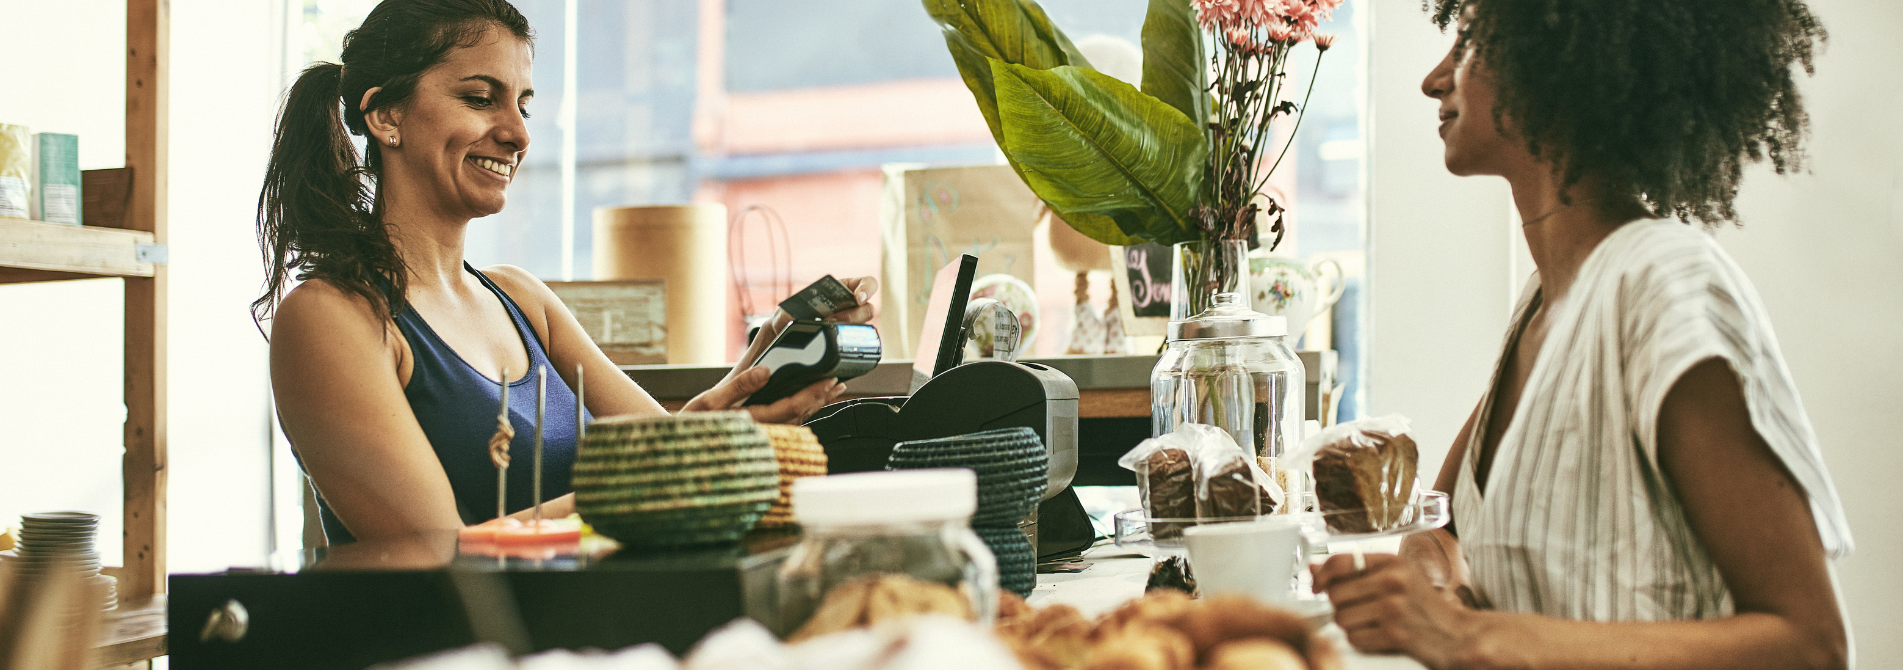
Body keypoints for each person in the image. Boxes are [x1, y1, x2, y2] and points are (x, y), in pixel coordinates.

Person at [1311, 1, 1854, 668]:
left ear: (1549, 61)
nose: (1433, 79)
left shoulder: (1659, 284)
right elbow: (1442, 527)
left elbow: (1810, 645)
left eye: (1467, 45)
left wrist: (1463, 637)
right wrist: (1426, 596)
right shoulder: (1544, 300)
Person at [253, 0, 876, 544]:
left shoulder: (522, 299)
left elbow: (669, 454)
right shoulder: (331, 319)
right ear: (385, 116)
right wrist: (644, 481)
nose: (517, 133)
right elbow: (441, 557)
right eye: (479, 98)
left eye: (523, 104)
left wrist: (769, 354)